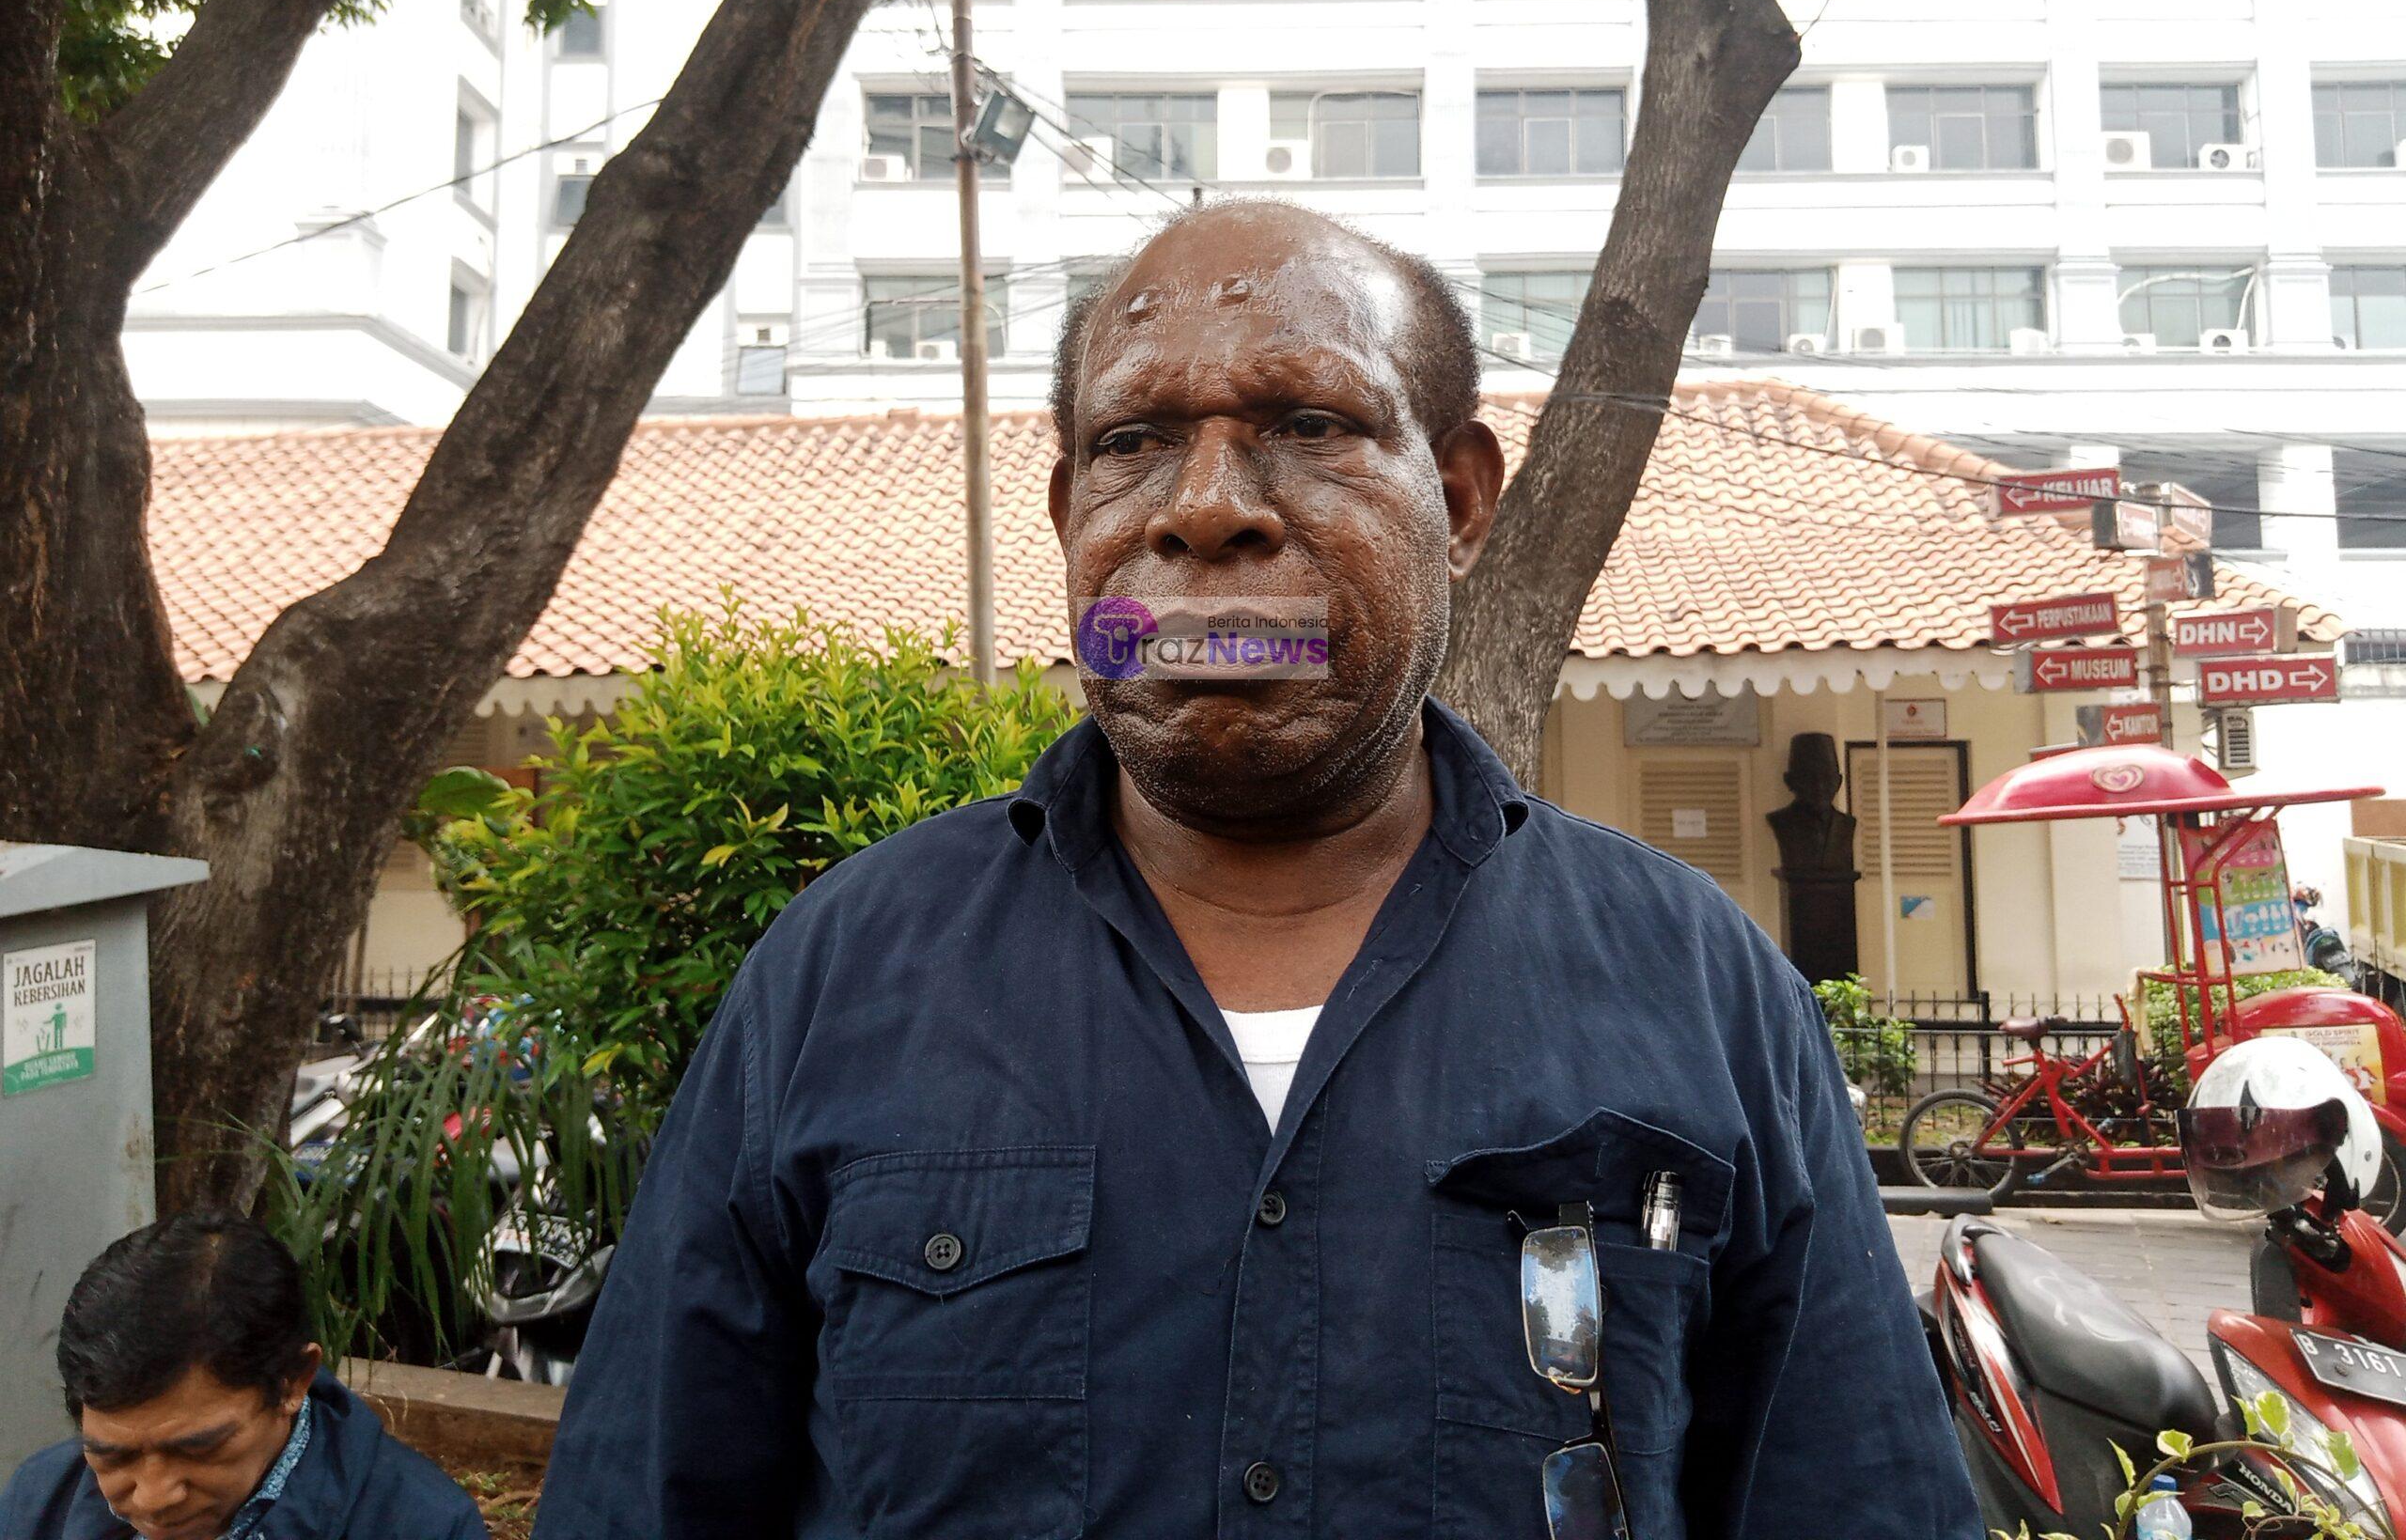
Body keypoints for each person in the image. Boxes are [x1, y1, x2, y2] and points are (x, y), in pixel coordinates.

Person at [535, 199, 1980, 1537]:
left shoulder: (1698, 991)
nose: (1208, 506)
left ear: (1464, 500)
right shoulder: (839, 979)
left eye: (1308, 421)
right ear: (1068, 520)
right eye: (1132, 442)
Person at [1, 1213, 487, 1540]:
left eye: (198, 1449)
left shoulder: (423, 1525)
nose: (153, 1499)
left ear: (292, 1381)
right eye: (113, 1457)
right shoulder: (40, 1500)